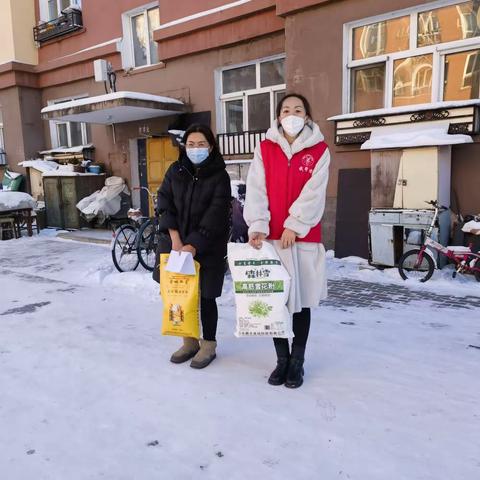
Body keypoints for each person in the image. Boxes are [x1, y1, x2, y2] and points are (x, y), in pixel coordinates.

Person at [243, 93, 330, 388]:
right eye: (285, 110)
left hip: (302, 239)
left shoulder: (319, 150)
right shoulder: (265, 148)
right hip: (272, 239)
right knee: (274, 301)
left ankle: (298, 362)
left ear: (307, 116)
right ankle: (281, 360)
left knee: (302, 302)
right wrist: (257, 224)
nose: (291, 114)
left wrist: (295, 224)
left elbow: (315, 193)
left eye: (298, 110)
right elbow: (256, 188)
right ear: (278, 116)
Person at [154, 124, 231, 369]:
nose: (195, 149)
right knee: (180, 295)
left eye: (201, 144)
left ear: (210, 146)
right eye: (190, 144)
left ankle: (208, 343)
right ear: (183, 147)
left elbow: (217, 213)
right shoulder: (175, 170)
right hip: (176, 246)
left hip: (207, 247)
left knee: (206, 297)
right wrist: (176, 240)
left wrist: (194, 245)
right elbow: (164, 204)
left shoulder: (220, 175)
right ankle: (188, 340)